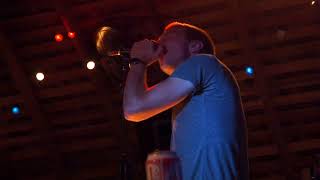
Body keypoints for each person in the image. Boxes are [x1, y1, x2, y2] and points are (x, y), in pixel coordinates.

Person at [123, 22, 249, 180]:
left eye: (169, 35)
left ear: (194, 46)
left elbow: (133, 108)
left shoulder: (203, 61)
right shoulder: (186, 102)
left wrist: (138, 61)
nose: (159, 41)